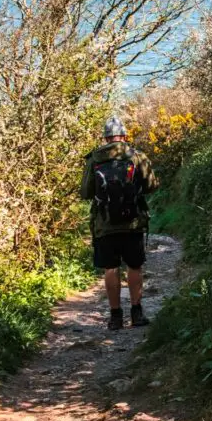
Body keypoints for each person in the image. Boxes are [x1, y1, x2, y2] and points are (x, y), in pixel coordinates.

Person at [80, 116, 158, 331]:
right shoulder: (136, 155)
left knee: (110, 267)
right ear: (124, 136)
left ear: (105, 137)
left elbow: (85, 192)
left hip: (104, 224)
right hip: (132, 222)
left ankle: (115, 317)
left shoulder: (94, 159)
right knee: (134, 266)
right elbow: (152, 186)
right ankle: (137, 312)